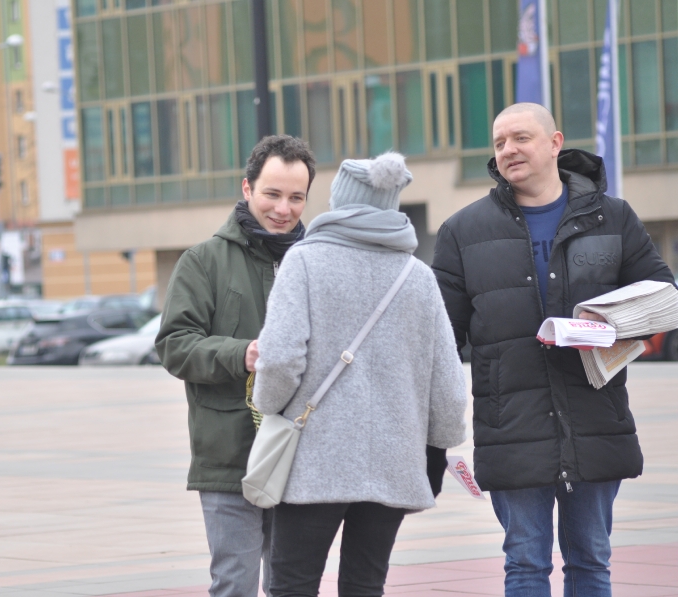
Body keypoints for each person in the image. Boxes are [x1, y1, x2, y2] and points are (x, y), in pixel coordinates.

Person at [432, 102, 674, 597]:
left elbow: (663, 298)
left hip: (595, 418)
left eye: (520, 138)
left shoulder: (613, 217)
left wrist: (609, 321)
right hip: (510, 425)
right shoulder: (463, 231)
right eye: (499, 143)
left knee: (591, 561)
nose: (508, 150)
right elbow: (439, 338)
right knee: (524, 563)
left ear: (555, 143)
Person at [252, 152, 468, 597]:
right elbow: (448, 388)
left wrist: (269, 406)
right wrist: (436, 449)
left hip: (314, 461)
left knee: (291, 585)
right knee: (366, 585)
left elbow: (280, 359)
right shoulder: (418, 276)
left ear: (340, 201)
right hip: (394, 462)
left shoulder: (304, 261)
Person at [155, 135, 317, 597]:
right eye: (272, 194)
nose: (283, 209)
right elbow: (174, 345)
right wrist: (241, 354)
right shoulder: (203, 261)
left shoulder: (316, 262)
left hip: (301, 455)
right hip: (229, 457)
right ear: (247, 188)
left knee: (293, 586)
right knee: (235, 585)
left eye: (296, 197)